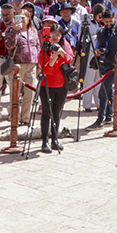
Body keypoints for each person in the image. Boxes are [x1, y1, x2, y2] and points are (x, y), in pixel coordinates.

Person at [87, 9, 117, 130]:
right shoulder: (101, 31)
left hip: (115, 65)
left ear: (114, 18)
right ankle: (108, 119)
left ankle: (100, 120)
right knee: (108, 92)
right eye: (106, 21)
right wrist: (98, 52)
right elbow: (97, 46)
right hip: (103, 64)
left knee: (103, 92)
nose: (108, 24)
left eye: (110, 21)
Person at [37, 22, 73, 153]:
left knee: (57, 113)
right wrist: (53, 58)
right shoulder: (45, 48)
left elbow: (70, 59)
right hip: (46, 85)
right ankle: (44, 141)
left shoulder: (65, 45)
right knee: (47, 113)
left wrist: (62, 53)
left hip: (61, 85)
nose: (55, 37)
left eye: (58, 35)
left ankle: (55, 139)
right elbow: (45, 70)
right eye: (53, 34)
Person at [4, 6, 40, 125]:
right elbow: (9, 45)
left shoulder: (33, 31)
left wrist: (38, 63)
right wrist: (15, 30)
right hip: (17, 65)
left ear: (29, 19)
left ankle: (25, 117)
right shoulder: (11, 30)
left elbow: (37, 46)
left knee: (30, 92)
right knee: (15, 92)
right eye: (19, 17)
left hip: (31, 64)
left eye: (24, 18)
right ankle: (14, 117)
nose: (22, 20)